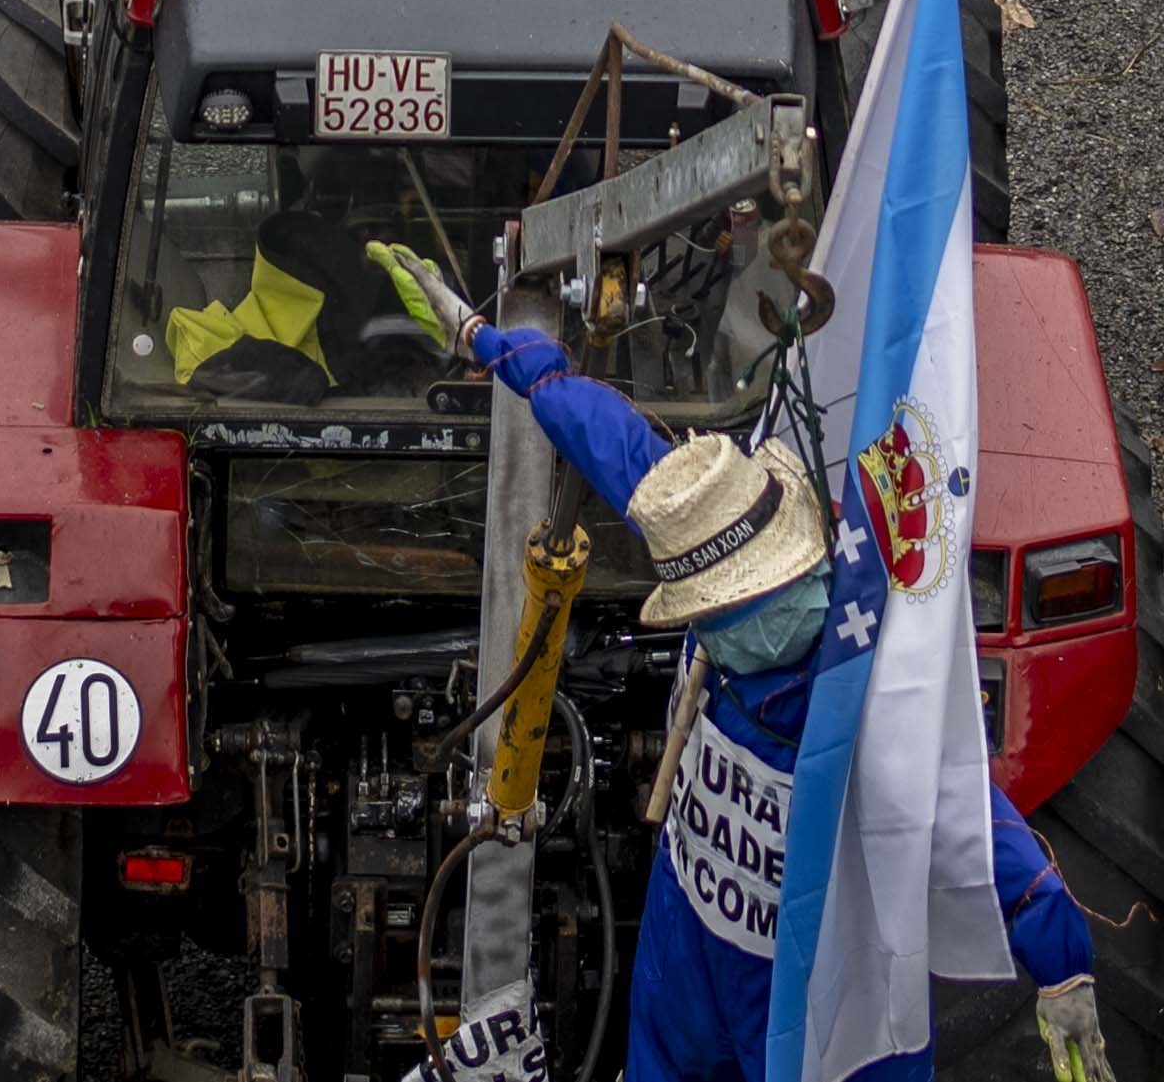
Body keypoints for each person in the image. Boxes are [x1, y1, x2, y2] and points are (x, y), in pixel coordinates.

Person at [384, 251, 1112, 1080]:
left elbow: (986, 839)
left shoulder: (865, 709)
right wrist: (478, 334)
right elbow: (578, 413)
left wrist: (1065, 971)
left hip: (799, 990)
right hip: (697, 950)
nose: (744, 621)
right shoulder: (696, 509)